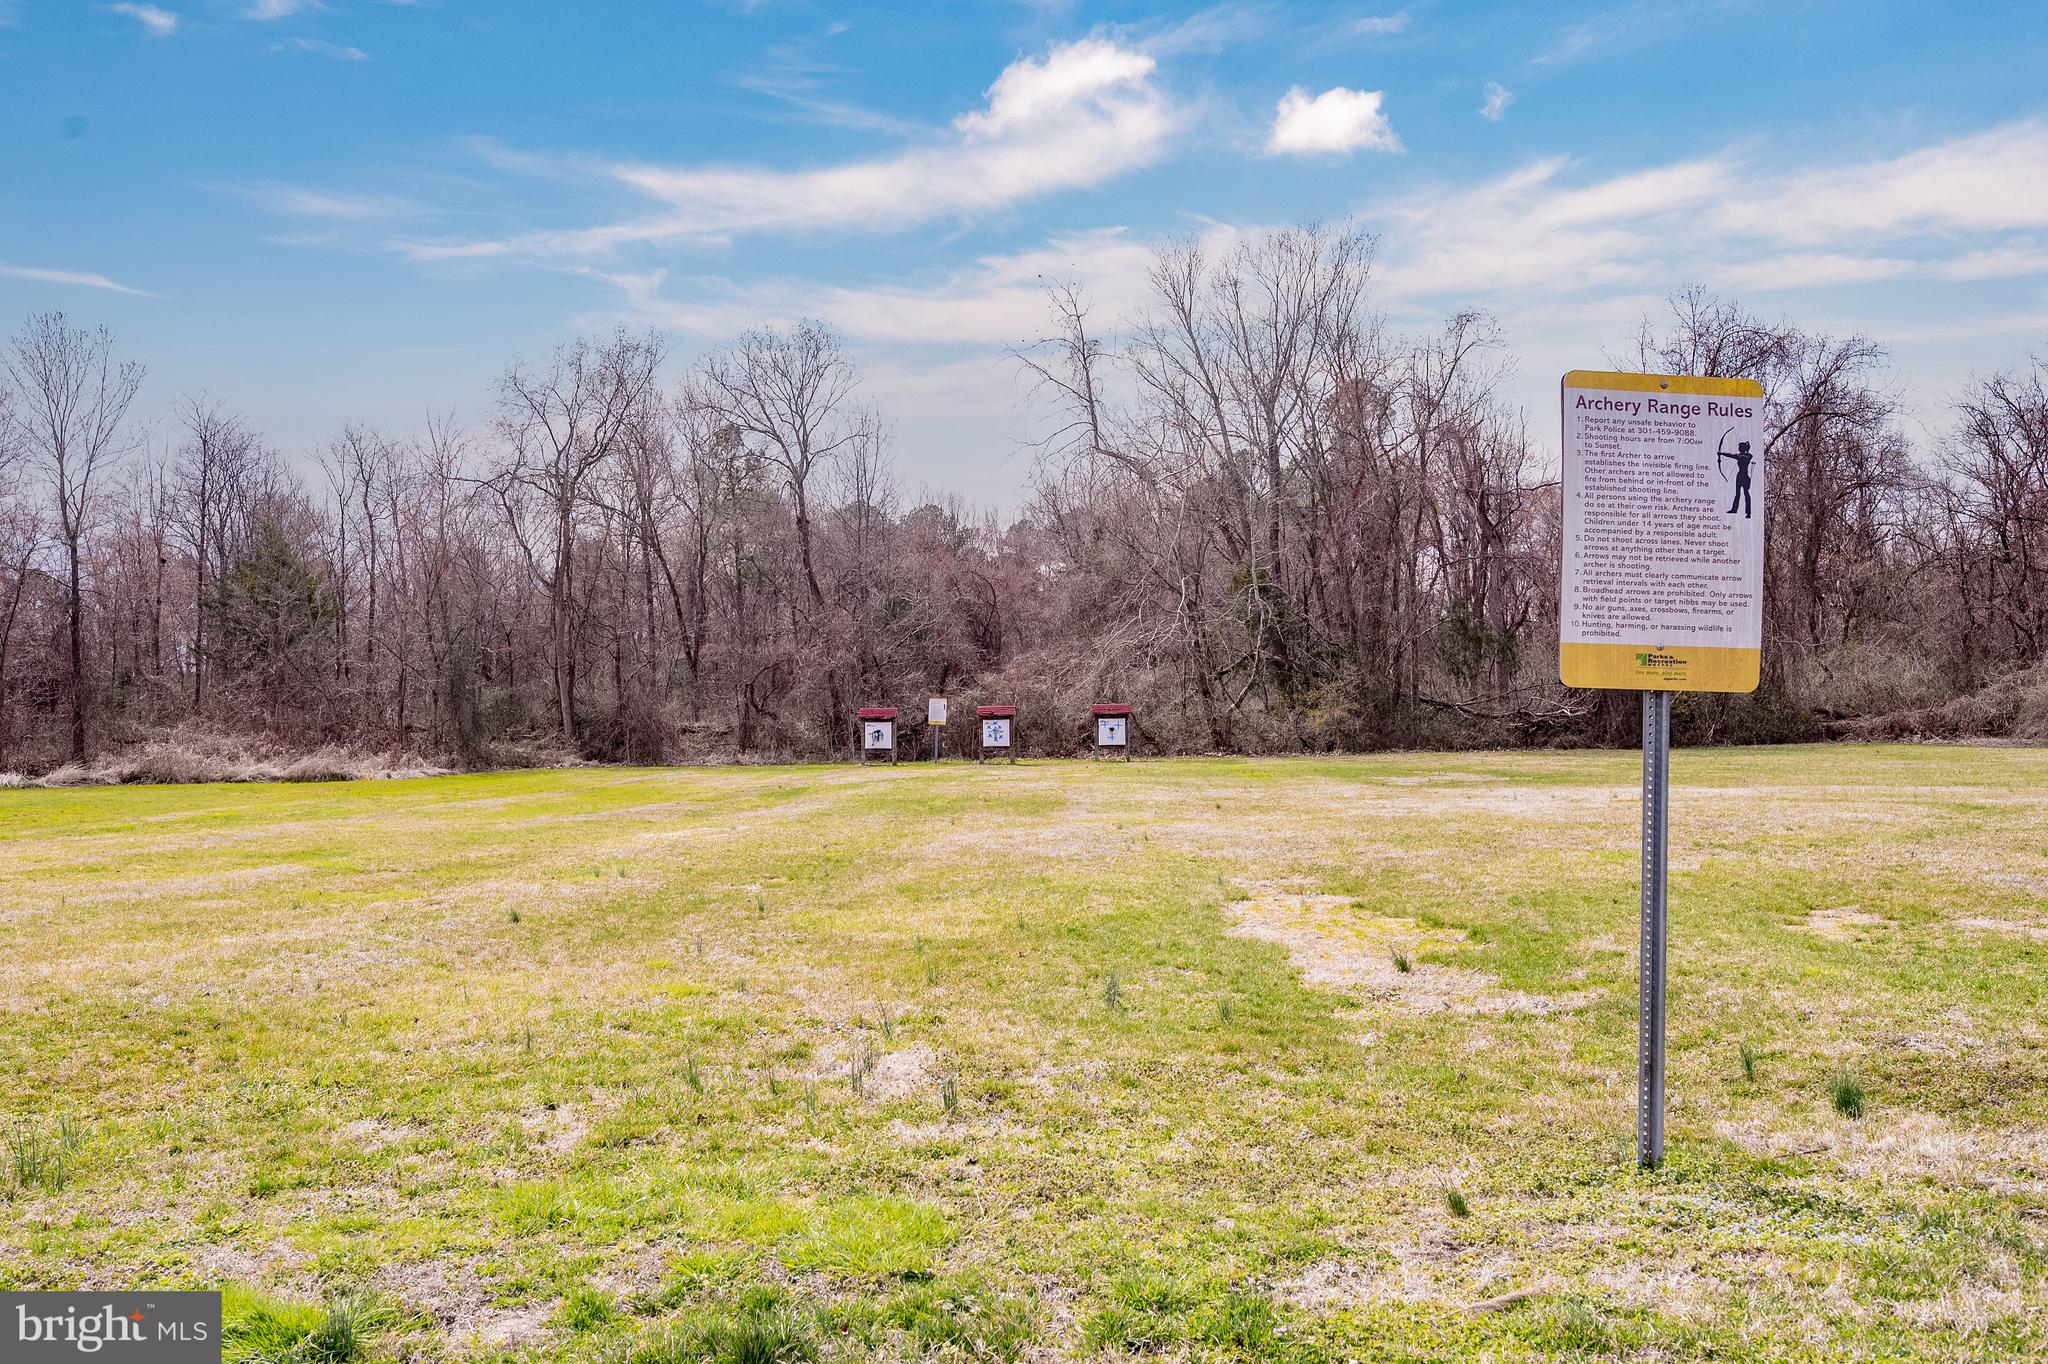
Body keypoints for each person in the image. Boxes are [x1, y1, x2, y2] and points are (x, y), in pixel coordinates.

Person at [1722, 440, 1756, 518]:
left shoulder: (1748, 455)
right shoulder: (1741, 455)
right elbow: (1730, 454)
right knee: (1738, 493)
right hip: (1740, 476)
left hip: (1744, 476)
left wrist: (1722, 453)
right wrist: (1721, 453)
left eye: (1740, 447)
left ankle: (1748, 513)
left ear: (1743, 448)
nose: (1739, 448)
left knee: (1746, 493)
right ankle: (1734, 509)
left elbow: (1734, 455)